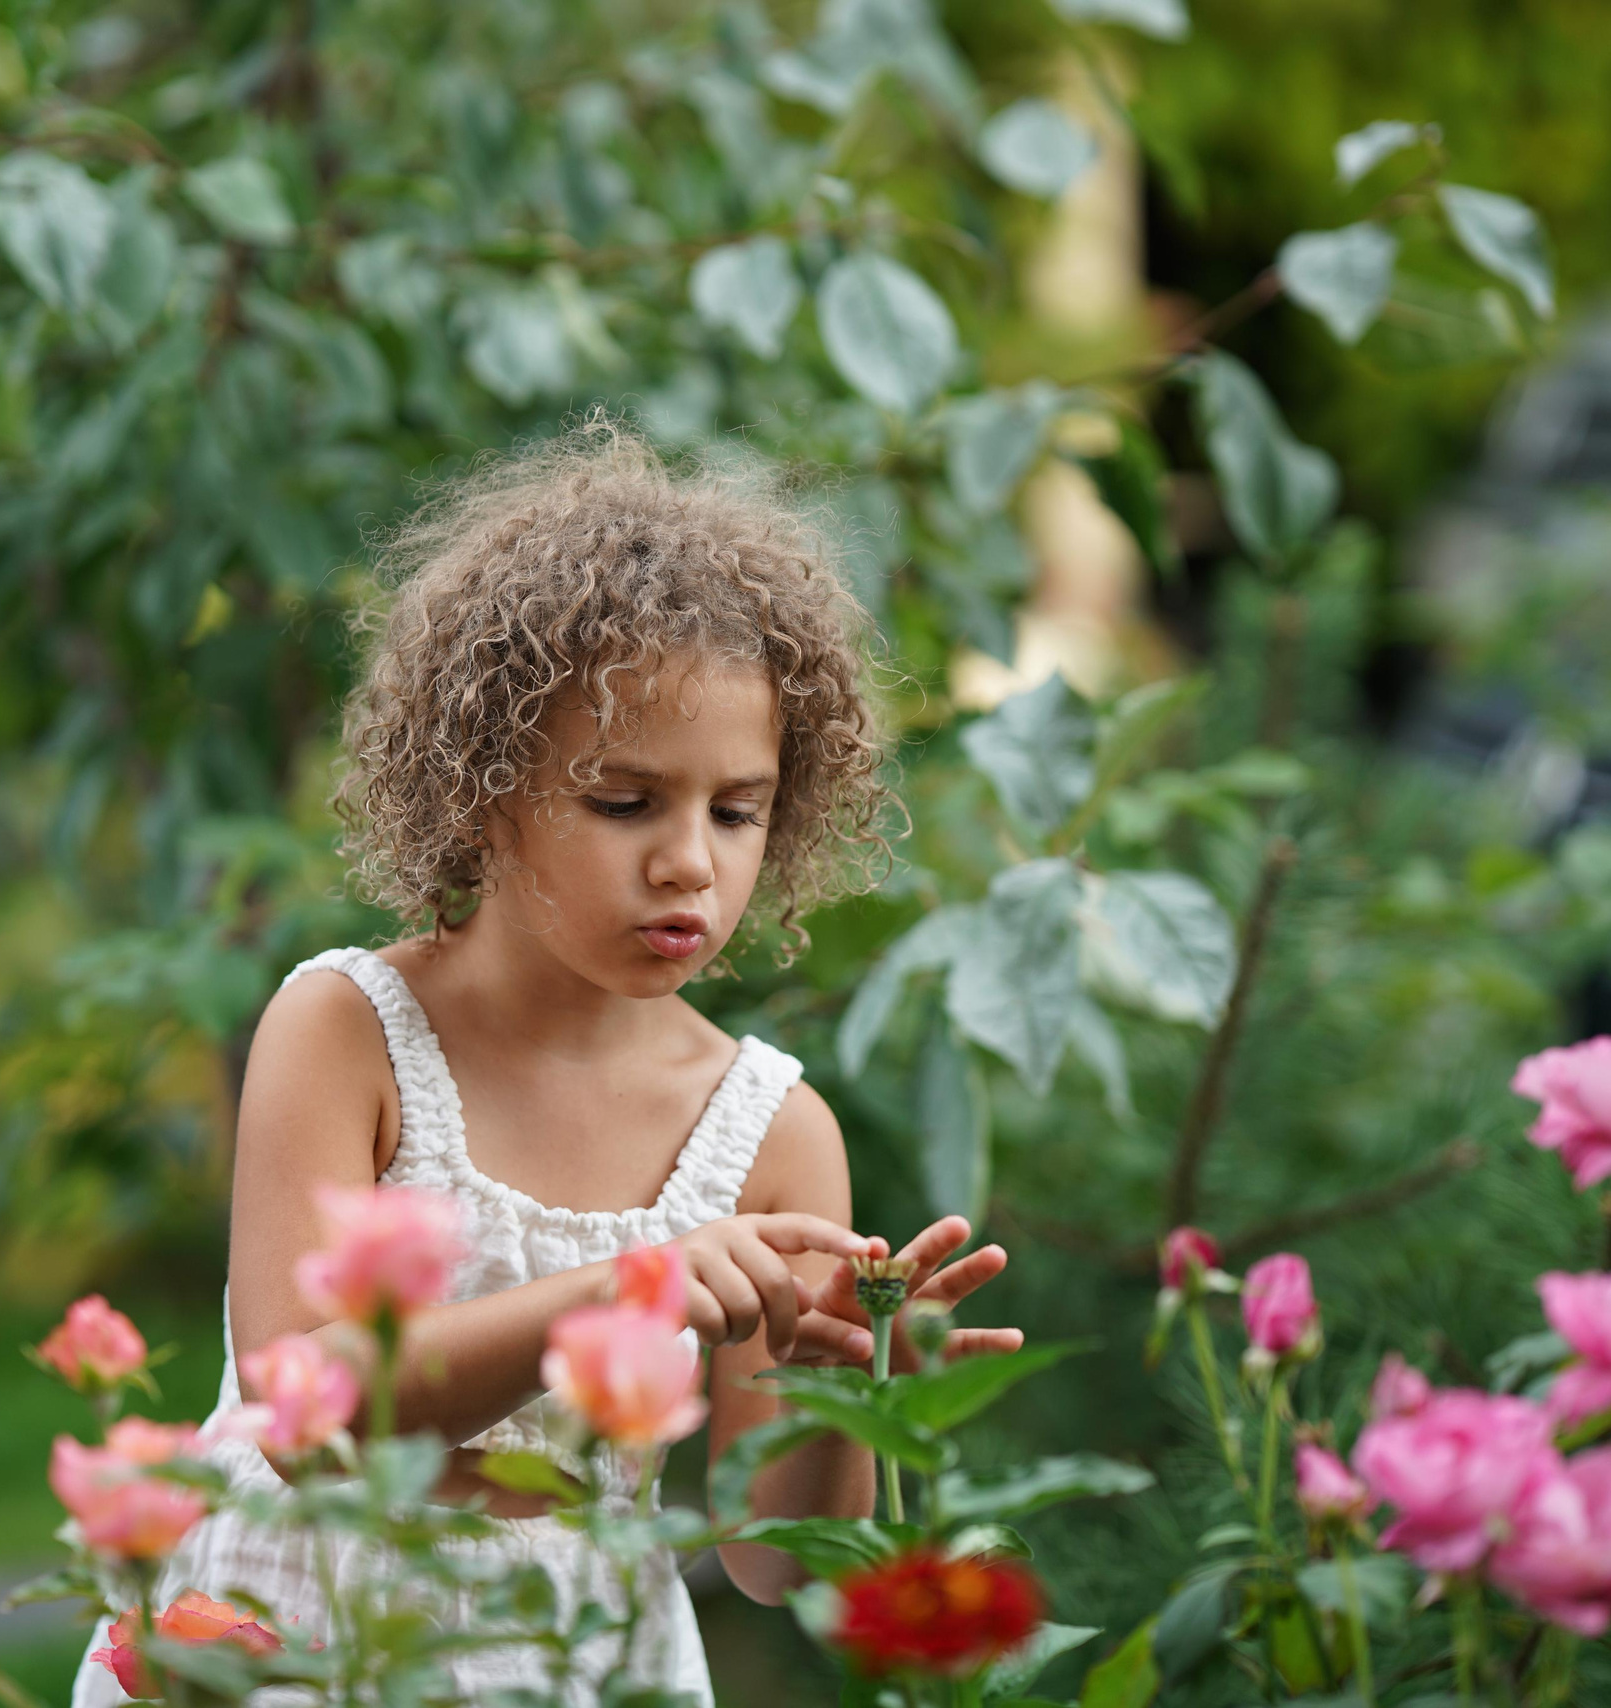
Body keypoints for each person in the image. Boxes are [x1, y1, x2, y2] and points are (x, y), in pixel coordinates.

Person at [70, 421, 1021, 1705]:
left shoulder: (771, 1130)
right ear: (481, 787)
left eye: (736, 811)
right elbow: (305, 1410)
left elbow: (766, 1560)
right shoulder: (347, 1029)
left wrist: (843, 1402)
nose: (689, 858)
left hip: (570, 1665)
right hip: (290, 1649)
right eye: (624, 803)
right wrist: (625, 1291)